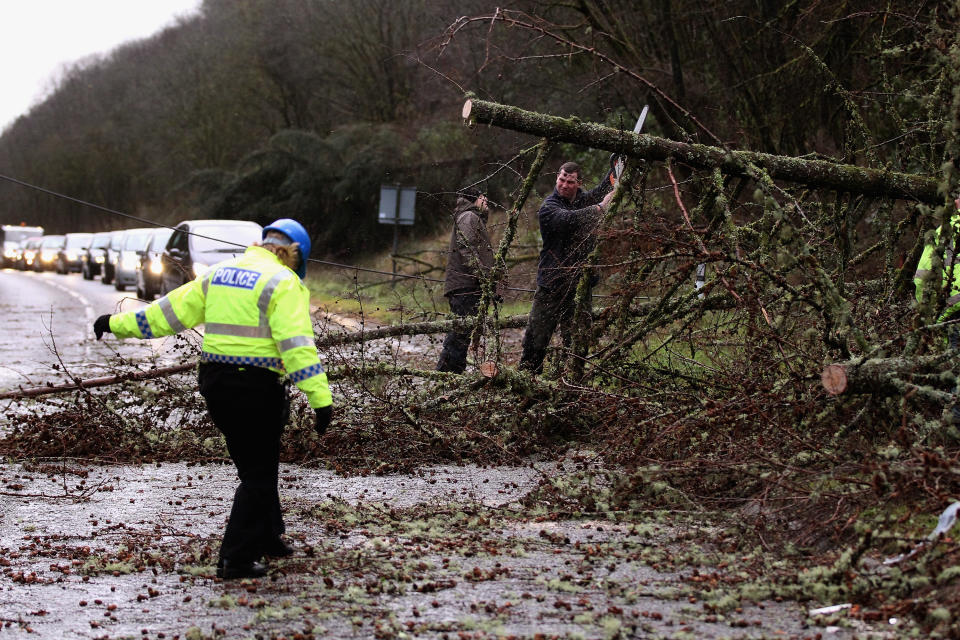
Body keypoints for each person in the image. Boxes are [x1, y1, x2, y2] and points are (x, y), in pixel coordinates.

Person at [92, 218, 333, 580]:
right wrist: (321, 399)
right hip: (256, 386)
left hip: (217, 384)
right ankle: (235, 558)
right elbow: (296, 346)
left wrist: (114, 323)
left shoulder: (220, 273)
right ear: (296, 255)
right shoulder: (284, 282)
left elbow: (165, 314)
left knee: (255, 464)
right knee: (257, 474)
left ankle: (269, 536)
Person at [519, 161, 615, 374]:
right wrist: (599, 209)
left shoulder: (583, 199)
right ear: (557, 178)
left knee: (577, 344)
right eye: (561, 179)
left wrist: (617, 164)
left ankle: (571, 386)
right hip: (552, 285)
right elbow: (567, 220)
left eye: (570, 182)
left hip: (580, 284)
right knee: (535, 341)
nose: (564, 185)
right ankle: (526, 382)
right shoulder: (549, 208)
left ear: (578, 183)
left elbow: (605, 188)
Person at [436, 187, 496, 373]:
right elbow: (466, 250)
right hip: (465, 287)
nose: (487, 202)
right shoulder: (469, 217)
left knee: (461, 336)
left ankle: (452, 377)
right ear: (476, 199)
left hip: (468, 286)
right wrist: (484, 278)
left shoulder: (470, 217)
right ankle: (446, 377)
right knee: (458, 336)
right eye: (483, 198)